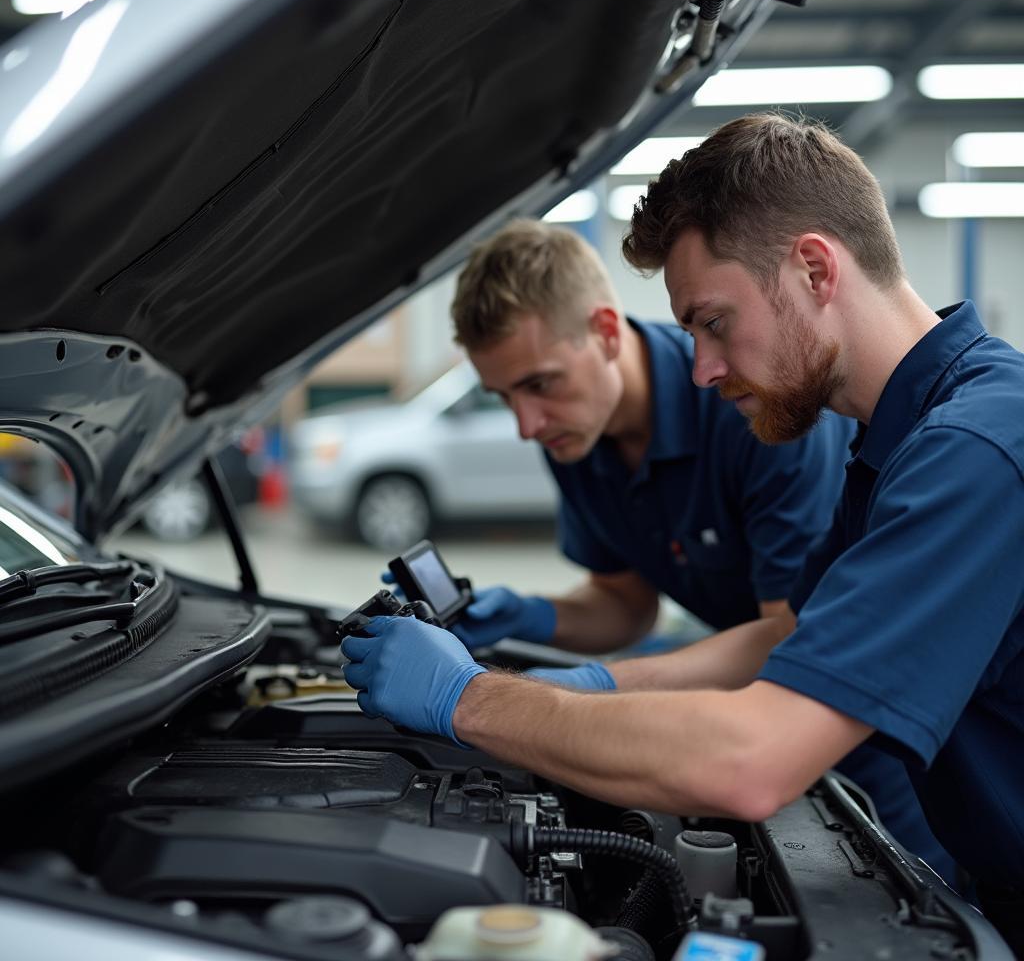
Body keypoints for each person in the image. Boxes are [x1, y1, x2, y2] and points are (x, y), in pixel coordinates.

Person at [342, 114, 1024, 945]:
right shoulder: (896, 442)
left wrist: (470, 699)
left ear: (814, 268)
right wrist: (580, 688)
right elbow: (778, 640)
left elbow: (752, 761)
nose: (701, 367)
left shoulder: (974, 450)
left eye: (713, 322)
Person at [444, 218, 852, 659]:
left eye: (540, 385)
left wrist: (592, 693)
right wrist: (530, 615)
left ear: (605, 331)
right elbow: (626, 605)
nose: (527, 426)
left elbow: (786, 639)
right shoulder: (574, 436)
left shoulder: (752, 406)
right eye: (504, 396)